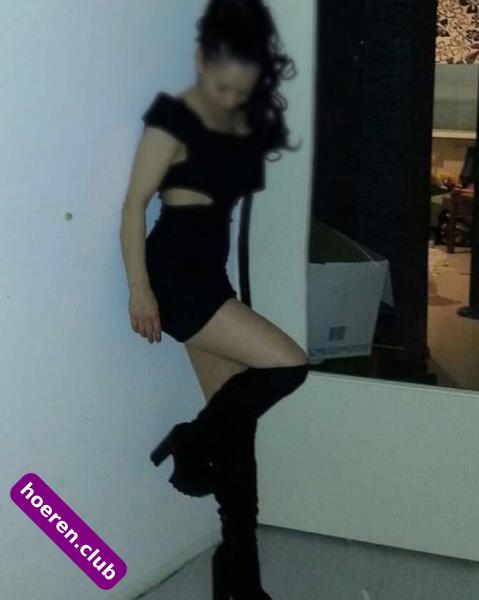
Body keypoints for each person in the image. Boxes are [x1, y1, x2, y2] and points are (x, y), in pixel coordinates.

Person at [120, 1, 309, 597]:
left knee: (237, 429)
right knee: (289, 364)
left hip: (211, 278)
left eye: (242, 89)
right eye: (223, 86)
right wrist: (140, 290)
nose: (231, 98)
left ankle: (239, 581)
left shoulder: (240, 122)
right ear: (201, 61)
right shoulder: (170, 119)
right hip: (175, 279)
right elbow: (133, 207)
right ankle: (192, 438)